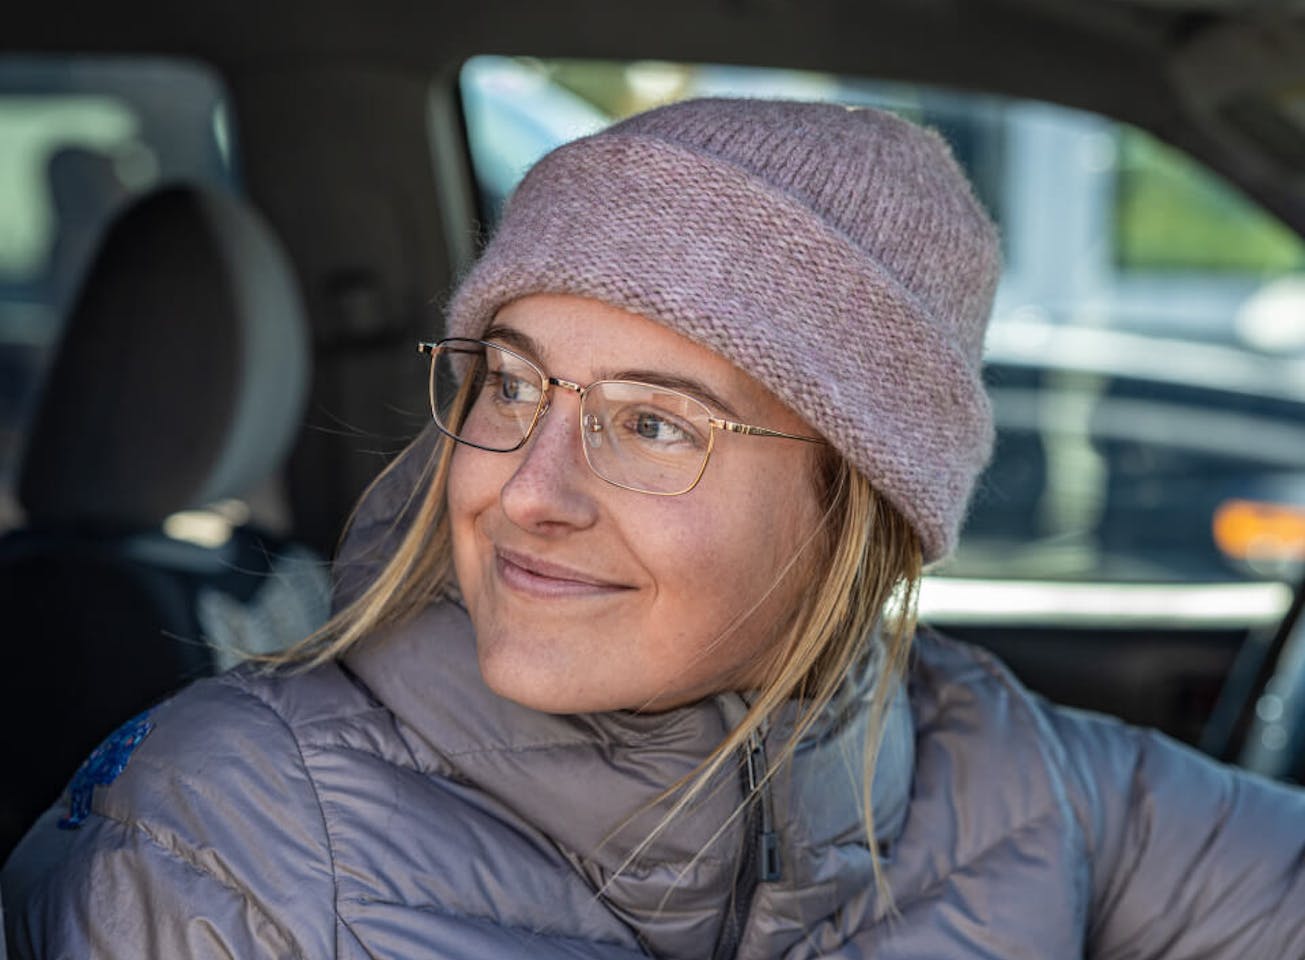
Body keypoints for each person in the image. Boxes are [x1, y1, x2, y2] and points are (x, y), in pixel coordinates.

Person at [5, 97, 1305, 959]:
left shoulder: (1014, 771)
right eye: (508, 385)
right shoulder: (222, 832)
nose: (525, 489)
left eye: (654, 424)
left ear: (861, 504)